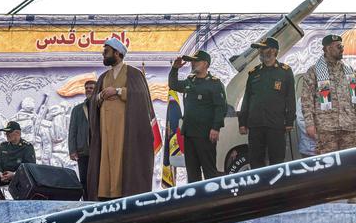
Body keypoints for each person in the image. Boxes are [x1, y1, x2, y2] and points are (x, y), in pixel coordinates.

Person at [87, 38, 157, 200]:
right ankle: (106, 194)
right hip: (105, 131)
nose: (103, 55)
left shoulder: (134, 74)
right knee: (106, 161)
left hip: (126, 131)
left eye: (106, 52)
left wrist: (117, 91)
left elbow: (141, 96)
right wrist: (100, 96)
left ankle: (123, 193)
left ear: (117, 53)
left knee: (123, 160)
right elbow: (93, 102)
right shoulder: (103, 77)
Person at [300, 34, 356, 155]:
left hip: (349, 126)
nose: (342, 49)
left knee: (349, 162)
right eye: (338, 46)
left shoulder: (349, 70)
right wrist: (309, 124)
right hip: (326, 128)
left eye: (342, 46)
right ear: (327, 48)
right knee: (328, 165)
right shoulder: (314, 72)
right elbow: (307, 101)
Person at [169, 49, 227, 182]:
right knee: (192, 172)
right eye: (191, 62)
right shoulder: (190, 81)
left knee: (209, 171)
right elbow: (173, 85)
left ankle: (212, 201)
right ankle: (195, 201)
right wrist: (174, 69)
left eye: (196, 61)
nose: (192, 64)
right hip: (189, 133)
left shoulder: (214, 83)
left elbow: (220, 107)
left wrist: (216, 128)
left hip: (205, 134)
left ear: (206, 64)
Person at [238, 37, 295, 168]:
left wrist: (290, 121)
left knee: (277, 160)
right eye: (259, 49)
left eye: (264, 48)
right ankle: (258, 187)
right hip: (255, 124)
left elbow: (290, 97)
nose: (261, 51)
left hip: (276, 124)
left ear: (274, 50)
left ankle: (277, 188)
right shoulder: (254, 73)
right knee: (255, 160)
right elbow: (247, 99)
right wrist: (242, 122)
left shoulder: (285, 71)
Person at [0, 121, 35, 200]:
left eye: (9, 132)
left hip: (19, 177)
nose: (7, 135)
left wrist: (14, 175)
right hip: (4, 176)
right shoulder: (3, 146)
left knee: (25, 185)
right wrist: (0, 173)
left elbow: (30, 167)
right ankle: (0, 200)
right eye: (6, 133)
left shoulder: (27, 147)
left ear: (17, 133)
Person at [68, 79, 95, 191]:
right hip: (83, 151)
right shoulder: (77, 109)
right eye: (86, 88)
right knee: (84, 180)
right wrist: (72, 150)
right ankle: (86, 203)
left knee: (98, 179)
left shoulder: (102, 107)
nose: (88, 90)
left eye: (91, 88)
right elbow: (72, 131)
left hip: (99, 151)